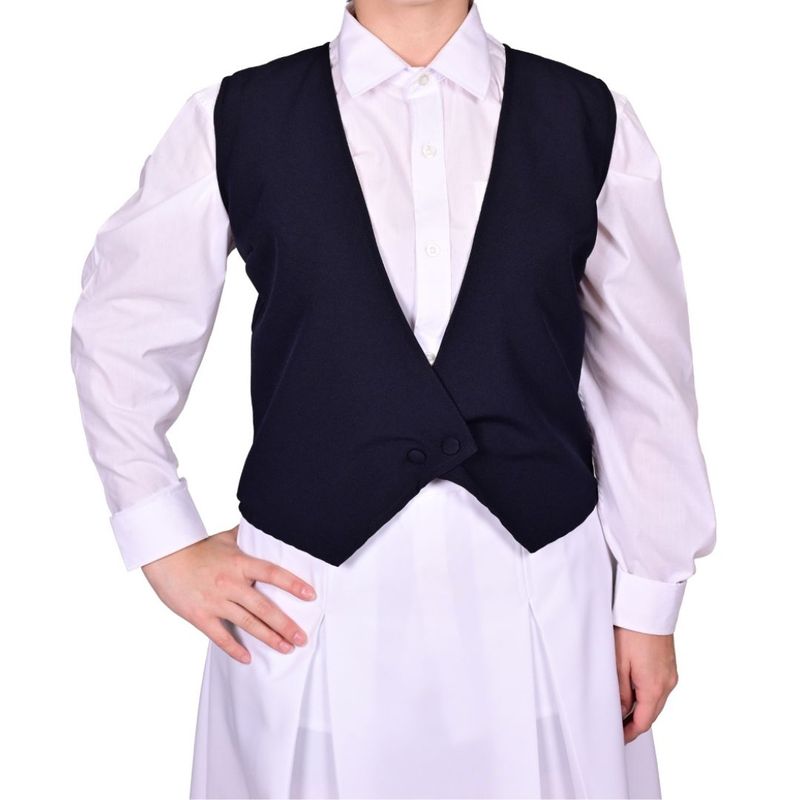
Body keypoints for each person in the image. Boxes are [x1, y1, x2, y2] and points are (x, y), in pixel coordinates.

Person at [69, 1, 717, 797]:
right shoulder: (235, 116)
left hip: (543, 589)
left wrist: (650, 601)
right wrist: (162, 540)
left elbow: (647, 376)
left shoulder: (588, 117)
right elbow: (121, 329)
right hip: (310, 599)